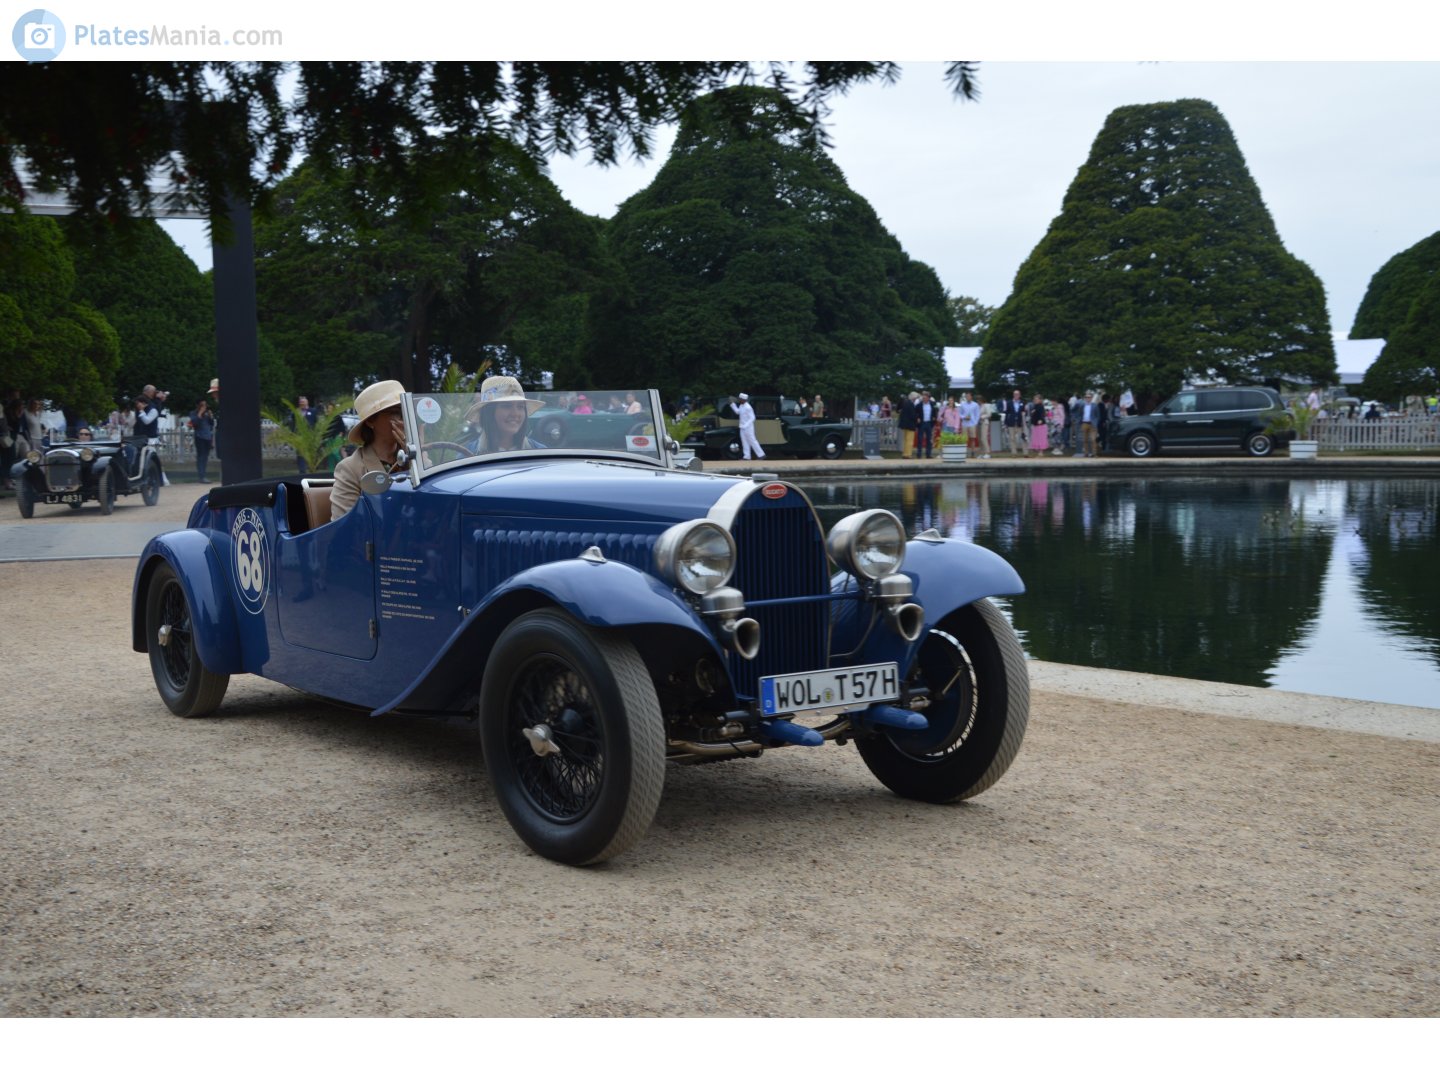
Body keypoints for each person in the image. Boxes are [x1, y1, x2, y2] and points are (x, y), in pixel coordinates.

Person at [331, 380, 407, 521]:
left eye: (407, 411)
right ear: (371, 421)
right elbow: (345, 528)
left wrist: (417, 454)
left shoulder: (414, 459)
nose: (405, 420)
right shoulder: (350, 469)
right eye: (396, 413)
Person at [466, 374, 547, 455]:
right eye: (506, 406)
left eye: (520, 407)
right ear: (489, 413)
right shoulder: (468, 455)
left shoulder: (541, 453)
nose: (515, 413)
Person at [189, 400, 215, 484]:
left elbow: (211, 424)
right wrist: (200, 413)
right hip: (199, 437)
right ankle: (201, 477)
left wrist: (211, 417)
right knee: (201, 457)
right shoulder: (193, 413)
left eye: (205, 405)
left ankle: (203, 476)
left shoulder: (207, 414)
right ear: (198, 406)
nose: (205, 407)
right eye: (202, 405)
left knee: (205, 458)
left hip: (208, 437)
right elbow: (195, 423)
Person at [736, 392, 765, 461]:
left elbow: (752, 417)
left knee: (752, 441)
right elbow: (738, 412)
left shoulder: (748, 407)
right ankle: (747, 456)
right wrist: (732, 405)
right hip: (742, 427)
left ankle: (761, 455)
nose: (739, 400)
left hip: (748, 427)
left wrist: (746, 425)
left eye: (740, 399)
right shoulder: (741, 406)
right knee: (744, 441)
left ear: (743, 400)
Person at [1074, 390, 1101, 458]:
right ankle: (1086, 453)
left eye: (1089, 397)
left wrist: (1096, 422)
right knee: (1085, 439)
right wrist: (1078, 420)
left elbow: (1098, 415)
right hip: (1084, 423)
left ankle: (1094, 453)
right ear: (1085, 398)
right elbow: (1079, 413)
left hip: (1092, 424)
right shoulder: (1082, 405)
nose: (1087, 398)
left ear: (1091, 398)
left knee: (1093, 439)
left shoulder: (1095, 405)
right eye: (1086, 397)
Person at [1002, 390, 1026, 456]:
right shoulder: (1009, 402)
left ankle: (1025, 452)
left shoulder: (1022, 402)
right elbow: (1007, 413)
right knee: (1012, 438)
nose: (1016, 395)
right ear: (1013, 395)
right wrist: (1006, 422)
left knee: (1022, 437)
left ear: (1019, 395)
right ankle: (1014, 453)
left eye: (1017, 394)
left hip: (1019, 422)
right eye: (1015, 394)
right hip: (1011, 422)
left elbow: (1023, 412)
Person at [915, 390, 935, 459]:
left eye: (925, 398)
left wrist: (934, 419)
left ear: (928, 398)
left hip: (929, 423)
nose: (924, 399)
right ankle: (919, 454)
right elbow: (915, 413)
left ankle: (928, 454)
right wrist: (917, 418)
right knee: (920, 439)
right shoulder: (919, 405)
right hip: (922, 423)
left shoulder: (932, 404)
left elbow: (934, 413)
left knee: (929, 439)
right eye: (923, 398)